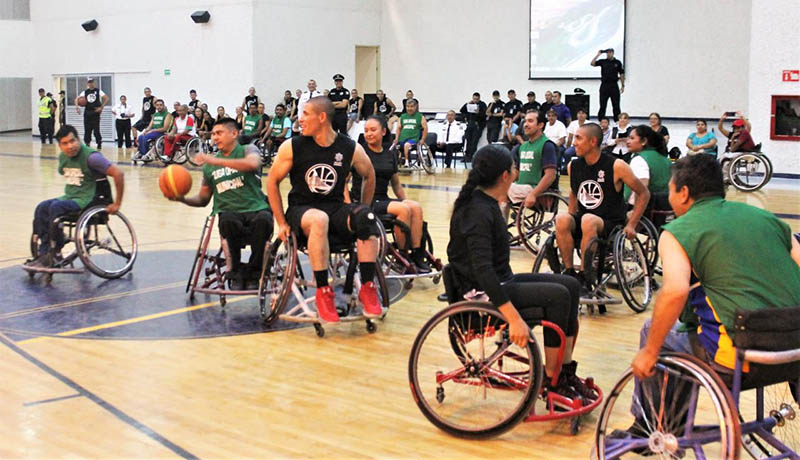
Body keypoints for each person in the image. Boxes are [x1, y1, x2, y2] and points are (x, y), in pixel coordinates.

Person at [621, 154, 800, 443]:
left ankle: (655, 429)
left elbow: (675, 292)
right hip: (795, 349)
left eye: (670, 190)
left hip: (740, 357)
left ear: (684, 192)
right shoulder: (769, 219)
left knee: (655, 334)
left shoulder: (678, 231)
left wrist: (650, 352)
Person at [447, 144, 595, 401]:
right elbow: (483, 271)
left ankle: (564, 370)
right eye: (514, 168)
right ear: (506, 175)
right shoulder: (477, 211)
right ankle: (551, 380)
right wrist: (513, 318)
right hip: (480, 294)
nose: (516, 172)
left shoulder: (487, 203)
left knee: (569, 286)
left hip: (498, 282)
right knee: (557, 296)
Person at [266, 97, 382, 323]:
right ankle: (323, 291)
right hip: (302, 210)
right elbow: (271, 182)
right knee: (319, 219)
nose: (300, 119)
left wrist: (364, 208)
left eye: (306, 114)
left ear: (321, 117)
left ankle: (368, 287)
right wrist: (280, 222)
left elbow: (369, 175)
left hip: (336, 209)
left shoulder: (349, 147)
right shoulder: (293, 146)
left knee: (367, 218)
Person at [172, 118, 272, 290]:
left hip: (256, 208)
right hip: (229, 212)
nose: (214, 138)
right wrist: (182, 199)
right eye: (212, 134)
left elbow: (253, 163)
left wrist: (215, 161)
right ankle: (235, 273)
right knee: (227, 220)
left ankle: (255, 273)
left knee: (263, 219)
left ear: (234, 134)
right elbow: (203, 199)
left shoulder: (247, 149)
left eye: (219, 133)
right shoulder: (209, 167)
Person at [553, 123, 650, 290]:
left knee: (588, 220)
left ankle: (585, 275)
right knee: (562, 219)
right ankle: (569, 273)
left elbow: (644, 193)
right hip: (585, 219)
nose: (574, 143)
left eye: (578, 138)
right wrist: (570, 217)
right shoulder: (573, 166)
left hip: (610, 223)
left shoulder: (616, 165)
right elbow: (574, 193)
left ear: (593, 141)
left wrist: (633, 224)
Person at [25, 125, 124, 268]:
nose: (70, 146)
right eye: (65, 143)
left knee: (56, 207)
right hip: (72, 196)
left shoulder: (92, 158)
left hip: (91, 199)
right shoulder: (63, 157)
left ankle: (56, 251)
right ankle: (45, 252)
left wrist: (117, 203)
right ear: (59, 146)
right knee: (41, 208)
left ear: (78, 139)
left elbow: (118, 174)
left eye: (72, 141)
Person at [348, 116, 431, 272]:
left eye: (373, 130)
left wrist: (405, 201)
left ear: (384, 131)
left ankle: (418, 254)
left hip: (383, 199)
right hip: (365, 202)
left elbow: (396, 184)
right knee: (403, 210)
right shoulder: (359, 153)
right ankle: (403, 255)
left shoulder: (390, 154)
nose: (368, 134)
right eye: (366, 130)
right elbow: (344, 181)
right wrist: (347, 205)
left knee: (415, 207)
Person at [505, 110, 558, 220]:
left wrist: (533, 194)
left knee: (498, 191)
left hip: (536, 190)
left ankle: (496, 231)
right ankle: (500, 230)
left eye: (530, 121)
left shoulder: (547, 145)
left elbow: (550, 175)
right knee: (496, 187)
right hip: (520, 188)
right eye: (525, 121)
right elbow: (517, 173)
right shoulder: (523, 147)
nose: (525, 124)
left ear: (540, 125)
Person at [624, 125, 671, 207]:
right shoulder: (665, 159)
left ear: (644, 141)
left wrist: (634, 214)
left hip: (644, 210)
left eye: (632, 138)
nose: (628, 141)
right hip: (666, 208)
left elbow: (642, 189)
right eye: (628, 138)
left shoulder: (639, 160)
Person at [591, 48, 625, 121]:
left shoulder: (618, 62)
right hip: (604, 85)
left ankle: (617, 121)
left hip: (614, 85)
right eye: (607, 53)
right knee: (602, 105)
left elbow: (621, 74)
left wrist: (622, 85)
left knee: (616, 105)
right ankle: (601, 120)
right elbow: (592, 63)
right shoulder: (603, 61)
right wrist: (598, 55)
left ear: (613, 53)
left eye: (610, 53)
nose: (608, 54)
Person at [75, 78, 108, 149]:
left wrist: (101, 107)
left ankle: (99, 143)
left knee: (96, 130)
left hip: (95, 112)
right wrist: (77, 107)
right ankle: (87, 143)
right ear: (87, 84)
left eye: (92, 82)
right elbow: (76, 99)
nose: (91, 84)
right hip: (87, 112)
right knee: (87, 130)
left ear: (94, 83)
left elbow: (106, 98)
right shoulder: (85, 92)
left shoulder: (98, 91)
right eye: (89, 82)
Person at [394, 99, 428, 166]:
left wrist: (423, 139)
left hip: (414, 139)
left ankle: (406, 162)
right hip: (402, 138)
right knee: (392, 146)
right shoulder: (402, 117)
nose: (409, 108)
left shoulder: (420, 116)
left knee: (407, 145)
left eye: (411, 106)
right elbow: (398, 128)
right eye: (408, 106)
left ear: (415, 107)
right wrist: (396, 138)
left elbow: (425, 128)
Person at [459, 92, 487, 161]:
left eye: (477, 99)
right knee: (468, 139)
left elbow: (485, 115)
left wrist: (478, 112)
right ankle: (466, 155)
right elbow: (462, 110)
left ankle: (471, 156)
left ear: (479, 98)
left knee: (474, 141)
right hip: (470, 124)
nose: (475, 100)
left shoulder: (482, 105)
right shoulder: (470, 104)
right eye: (474, 99)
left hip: (477, 124)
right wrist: (467, 104)